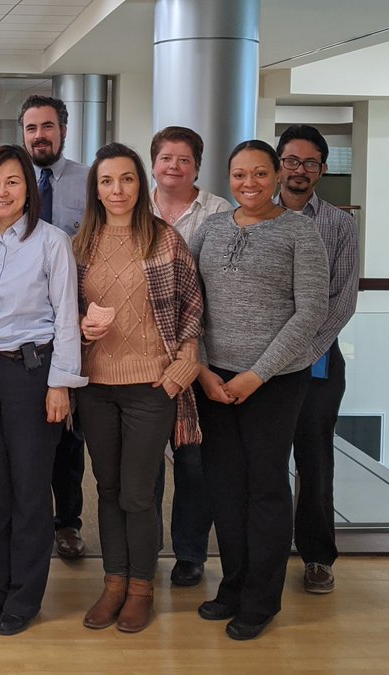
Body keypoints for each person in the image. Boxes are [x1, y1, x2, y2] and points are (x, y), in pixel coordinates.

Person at [190, 140, 329, 641]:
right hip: (213, 380)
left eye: (260, 174)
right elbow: (189, 303)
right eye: (239, 175)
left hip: (274, 382)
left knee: (266, 488)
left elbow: (310, 311)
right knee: (224, 487)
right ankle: (232, 585)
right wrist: (203, 370)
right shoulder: (211, 229)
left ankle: (261, 598)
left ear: (276, 176)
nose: (249, 184)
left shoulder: (300, 232)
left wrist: (258, 373)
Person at [0, 144, 87, 636]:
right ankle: (0, 586)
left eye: (12, 181)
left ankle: (25, 598)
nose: (1, 191)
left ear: (28, 187)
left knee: (30, 491)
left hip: (33, 374)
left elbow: (67, 319)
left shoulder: (52, 242)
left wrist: (60, 386)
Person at [73, 143, 204, 633]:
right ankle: (113, 582)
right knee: (107, 489)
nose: (117, 190)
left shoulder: (166, 241)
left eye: (126, 179)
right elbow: (63, 310)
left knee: (138, 493)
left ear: (140, 184)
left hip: (152, 386)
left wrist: (177, 374)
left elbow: (193, 311)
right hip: (96, 386)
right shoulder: (80, 243)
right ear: (96, 189)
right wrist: (81, 328)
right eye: (107, 181)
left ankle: (141, 587)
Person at [274, 124, 360, 595]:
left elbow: (342, 301)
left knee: (314, 461)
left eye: (309, 163)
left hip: (317, 364)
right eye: (290, 160)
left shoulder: (340, 225)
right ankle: (262, 550)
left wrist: (298, 353)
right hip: (260, 365)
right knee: (264, 462)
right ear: (278, 164)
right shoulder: (256, 217)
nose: (299, 170)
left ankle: (317, 557)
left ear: (323, 170)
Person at [148, 126, 234, 587]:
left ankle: (190, 553)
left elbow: (214, 293)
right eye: (166, 158)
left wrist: (195, 361)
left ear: (197, 167)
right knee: (144, 462)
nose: (174, 167)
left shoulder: (220, 214)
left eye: (183, 159)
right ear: (153, 163)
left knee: (193, 460)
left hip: (200, 353)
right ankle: (145, 551)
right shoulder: (134, 210)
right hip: (145, 356)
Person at [19, 94, 90, 560]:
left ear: (63, 129)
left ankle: (67, 523)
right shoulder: (9, 183)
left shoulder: (89, 182)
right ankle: (28, 524)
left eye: (47, 126)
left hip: (76, 324)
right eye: (31, 128)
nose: (39, 135)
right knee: (24, 434)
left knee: (68, 432)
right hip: (22, 327)